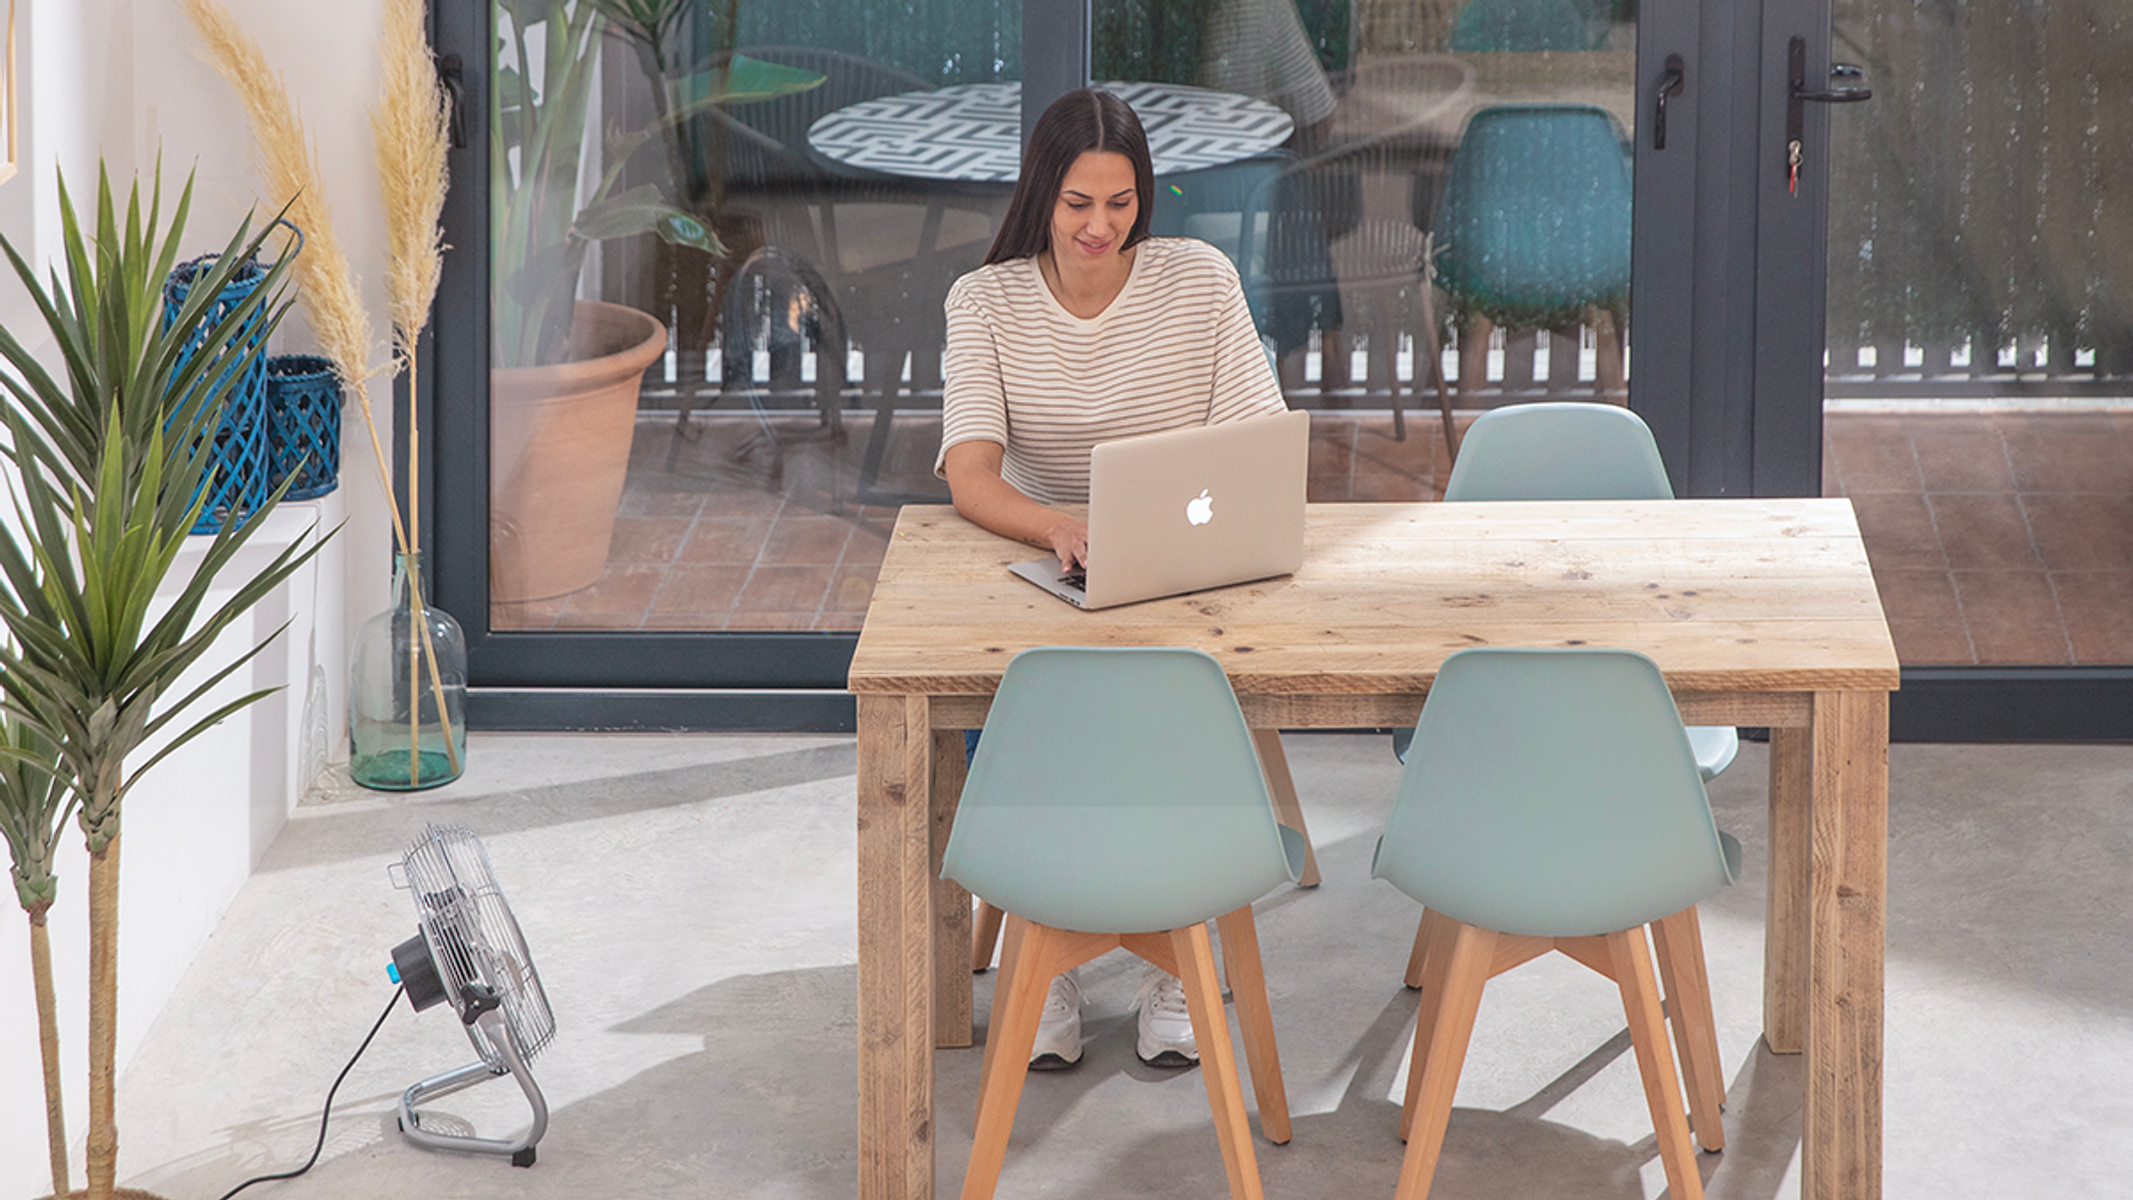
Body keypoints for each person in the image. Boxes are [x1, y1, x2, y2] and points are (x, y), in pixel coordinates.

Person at [934, 88, 1288, 1070]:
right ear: (1042, 193)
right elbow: (969, 472)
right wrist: (1054, 523)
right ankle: (1047, 963)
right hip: (1050, 563)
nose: (1099, 227)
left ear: (1146, 199)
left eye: (1121, 203)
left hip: (1183, 568)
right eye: (1078, 202)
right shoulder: (988, 299)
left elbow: (1261, 440)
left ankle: (1174, 955)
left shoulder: (1199, 281)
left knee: (1187, 702)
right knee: (1017, 711)